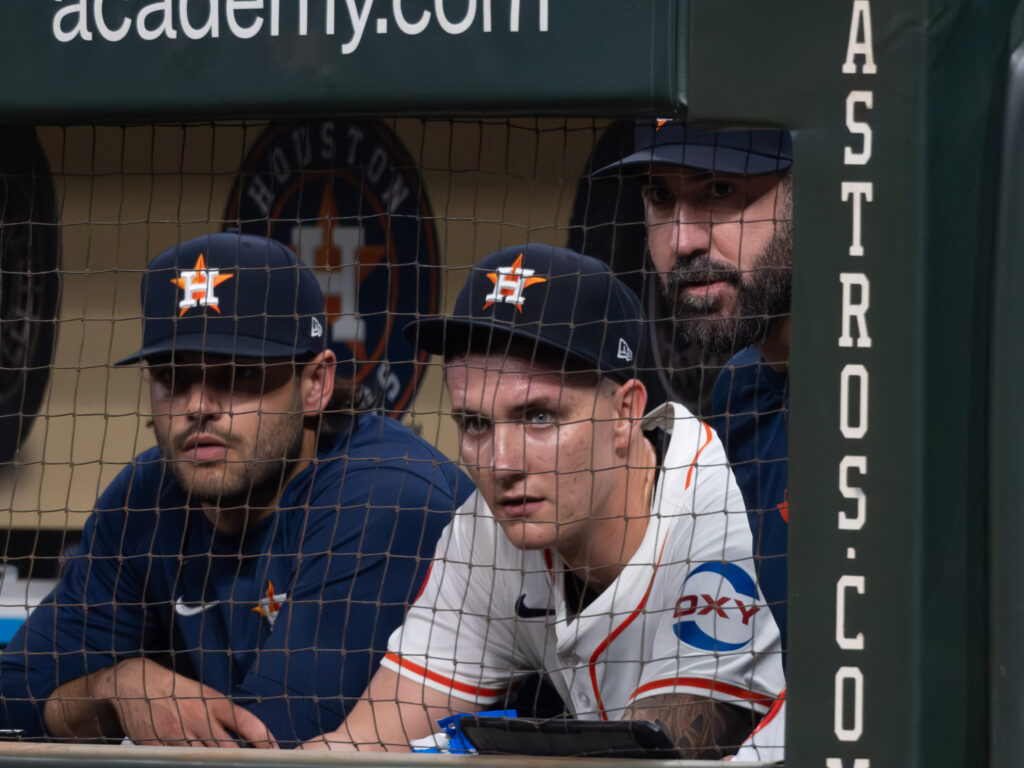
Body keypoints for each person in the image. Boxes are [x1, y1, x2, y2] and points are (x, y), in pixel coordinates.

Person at [304, 244, 783, 759]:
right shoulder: (488, 530)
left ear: (625, 413)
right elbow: (359, 745)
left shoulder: (717, 508)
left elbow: (659, 758)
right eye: (475, 424)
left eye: (539, 417)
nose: (502, 464)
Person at [0, 232, 471, 748]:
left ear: (315, 384)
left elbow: (274, 744)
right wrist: (118, 688)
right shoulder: (144, 499)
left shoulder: (389, 492)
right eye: (172, 376)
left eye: (239, 373)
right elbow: (11, 697)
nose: (198, 405)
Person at [597, 120, 793, 760]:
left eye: (720, 189)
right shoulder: (741, 389)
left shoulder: (917, 384)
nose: (681, 241)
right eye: (660, 198)